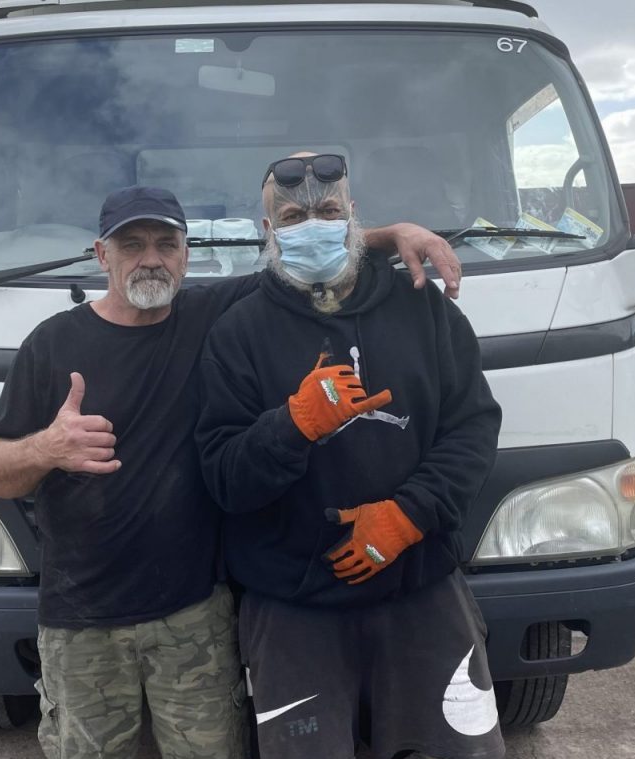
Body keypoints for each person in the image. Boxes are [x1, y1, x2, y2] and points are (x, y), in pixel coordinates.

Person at [0, 183, 464, 759]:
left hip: (194, 617)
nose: (150, 258)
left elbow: (309, 251)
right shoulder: (52, 343)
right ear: (102, 255)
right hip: (82, 620)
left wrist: (394, 233)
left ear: (186, 254)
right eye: (131, 245)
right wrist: (46, 448)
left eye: (165, 243)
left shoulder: (212, 314)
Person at [194, 153, 505, 759]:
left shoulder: (425, 309)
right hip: (292, 605)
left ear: (354, 217)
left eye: (328, 210)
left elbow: (473, 428)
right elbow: (224, 479)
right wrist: (292, 426)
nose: (312, 223)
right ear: (268, 232)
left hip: (421, 589)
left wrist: (410, 515)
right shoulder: (238, 332)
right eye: (291, 215)